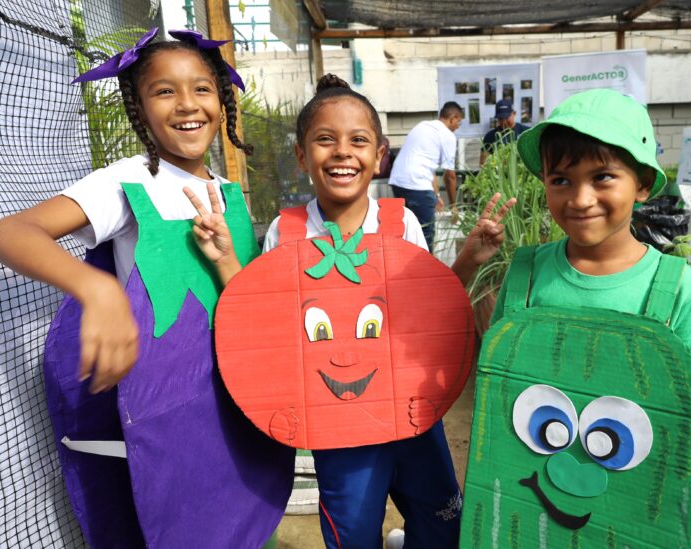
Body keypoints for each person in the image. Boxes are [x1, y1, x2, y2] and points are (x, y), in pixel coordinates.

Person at [186, 74, 515, 549]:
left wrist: (468, 258)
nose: (342, 152)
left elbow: (432, 308)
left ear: (379, 156)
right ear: (302, 156)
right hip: (336, 421)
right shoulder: (287, 231)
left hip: (412, 411)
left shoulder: (400, 223)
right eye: (325, 140)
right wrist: (225, 260)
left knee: (441, 516)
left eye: (357, 140)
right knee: (353, 530)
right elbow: (264, 320)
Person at [0, 28, 293, 547]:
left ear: (222, 102)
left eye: (201, 88)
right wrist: (97, 289)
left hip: (236, 409)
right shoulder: (126, 182)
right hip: (168, 418)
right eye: (164, 91)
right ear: (138, 105)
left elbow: (243, 307)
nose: (186, 105)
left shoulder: (227, 191)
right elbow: (11, 231)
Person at [495, 88, 691, 377]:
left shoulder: (681, 291)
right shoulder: (525, 276)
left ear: (643, 184)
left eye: (602, 177)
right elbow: (499, 378)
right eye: (560, 180)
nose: (580, 200)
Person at [388, 101, 463, 250]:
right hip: (417, 185)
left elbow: (429, 166)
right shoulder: (447, 135)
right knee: (425, 234)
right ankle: (424, 270)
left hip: (398, 182)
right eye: (458, 122)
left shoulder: (422, 126)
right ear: (453, 118)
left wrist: (436, 195)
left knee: (407, 231)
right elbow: (450, 176)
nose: (458, 126)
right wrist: (454, 207)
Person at [479, 98, 530, 166]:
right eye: (500, 119)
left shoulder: (526, 132)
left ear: (514, 113)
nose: (504, 122)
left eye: (506, 118)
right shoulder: (490, 137)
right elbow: (483, 163)